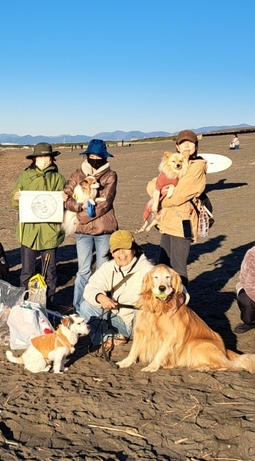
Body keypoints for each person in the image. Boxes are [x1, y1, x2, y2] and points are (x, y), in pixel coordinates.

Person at [63, 139, 119, 310]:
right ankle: (79, 307)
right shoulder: (77, 174)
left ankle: (99, 307)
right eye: (92, 155)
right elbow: (66, 197)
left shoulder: (110, 175)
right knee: (83, 271)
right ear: (87, 156)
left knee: (103, 270)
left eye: (98, 156)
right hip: (83, 233)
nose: (95, 158)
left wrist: (80, 218)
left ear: (104, 157)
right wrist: (80, 207)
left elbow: (105, 204)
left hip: (104, 230)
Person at [147, 130, 206, 285]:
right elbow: (151, 185)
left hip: (182, 222)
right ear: (177, 147)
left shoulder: (196, 167)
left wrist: (157, 200)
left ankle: (180, 304)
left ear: (196, 146)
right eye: (182, 143)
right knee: (163, 265)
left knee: (178, 268)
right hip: (167, 222)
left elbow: (179, 195)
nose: (187, 145)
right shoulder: (172, 162)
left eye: (191, 142)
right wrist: (159, 190)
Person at [77, 230, 155, 348]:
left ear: (134, 249)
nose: (121, 253)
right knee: (85, 307)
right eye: (117, 249)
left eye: (126, 248)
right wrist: (101, 297)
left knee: (142, 307)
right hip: (119, 319)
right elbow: (90, 288)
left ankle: (143, 341)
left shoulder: (148, 270)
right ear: (112, 253)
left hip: (141, 324)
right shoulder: (109, 267)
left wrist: (181, 297)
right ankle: (111, 337)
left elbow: (177, 289)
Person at [11, 142, 66, 307]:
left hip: (50, 232)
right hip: (29, 232)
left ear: (52, 158)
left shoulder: (58, 178)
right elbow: (14, 200)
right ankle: (24, 304)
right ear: (34, 159)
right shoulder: (25, 176)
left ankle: (48, 303)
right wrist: (16, 198)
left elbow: (65, 204)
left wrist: (65, 199)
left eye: (47, 156)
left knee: (49, 272)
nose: (44, 160)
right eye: (40, 157)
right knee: (27, 271)